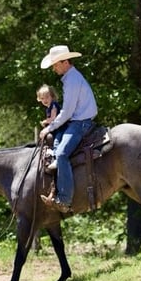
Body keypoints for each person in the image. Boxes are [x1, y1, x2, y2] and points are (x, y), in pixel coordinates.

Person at [38, 44, 98, 213]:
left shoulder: (72, 80)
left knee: (63, 153)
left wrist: (49, 128)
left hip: (81, 122)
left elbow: (67, 111)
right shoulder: (71, 78)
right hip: (77, 120)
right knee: (58, 145)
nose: (54, 68)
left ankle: (64, 199)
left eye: (56, 64)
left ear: (65, 62)